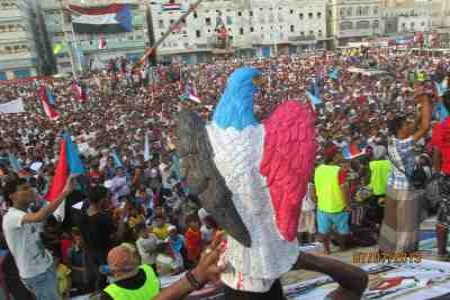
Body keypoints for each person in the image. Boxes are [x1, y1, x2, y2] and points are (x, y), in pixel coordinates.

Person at [1, 174, 73, 299]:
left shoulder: (27, 212)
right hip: (37, 274)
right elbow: (39, 216)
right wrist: (65, 192)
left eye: (30, 187)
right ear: (11, 196)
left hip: (47, 266)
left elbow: (39, 233)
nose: (30, 190)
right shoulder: (11, 217)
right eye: (24, 189)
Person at [378, 88, 431, 253]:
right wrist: (426, 100)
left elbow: (416, 126)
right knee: (407, 224)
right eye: (406, 124)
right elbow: (425, 127)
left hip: (392, 186)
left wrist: (420, 109)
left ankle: (386, 248)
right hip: (404, 190)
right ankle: (403, 254)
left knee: (392, 221)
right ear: (401, 130)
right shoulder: (404, 145)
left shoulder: (392, 140)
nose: (410, 125)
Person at [101, 237, 226, 300]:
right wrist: (196, 276)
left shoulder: (146, 269)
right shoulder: (109, 295)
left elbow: (161, 289)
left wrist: (197, 276)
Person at [314, 145, 350, 254]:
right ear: (334, 157)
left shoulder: (318, 169)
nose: (341, 156)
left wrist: (316, 201)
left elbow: (316, 186)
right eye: (339, 154)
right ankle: (342, 247)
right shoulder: (339, 171)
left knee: (323, 231)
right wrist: (347, 204)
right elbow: (344, 189)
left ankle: (326, 249)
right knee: (342, 230)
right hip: (338, 206)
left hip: (322, 206)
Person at [431, 91, 450, 258]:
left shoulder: (440, 127)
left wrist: (438, 175)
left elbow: (436, 154)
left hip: (446, 175)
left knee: (444, 212)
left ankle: (442, 251)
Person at [368, 145, 391, 224]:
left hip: (376, 192)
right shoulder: (389, 163)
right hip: (388, 191)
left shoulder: (371, 164)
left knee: (378, 211)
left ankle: (379, 224)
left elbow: (370, 179)